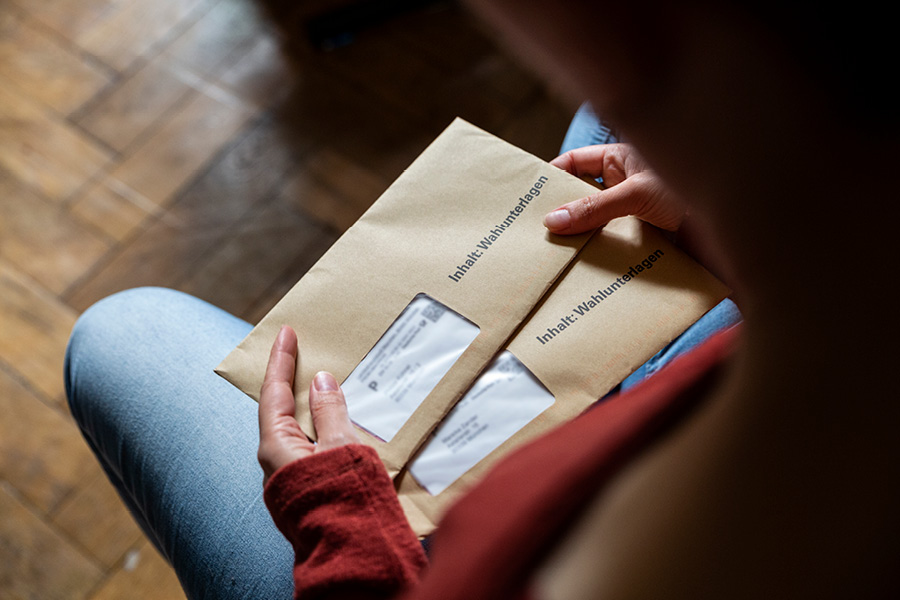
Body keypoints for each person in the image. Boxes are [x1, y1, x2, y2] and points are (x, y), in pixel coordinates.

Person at [65, 2, 898, 598]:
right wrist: (728, 210)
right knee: (602, 128)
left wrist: (344, 523)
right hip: (713, 352)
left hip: (404, 556)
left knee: (118, 333)